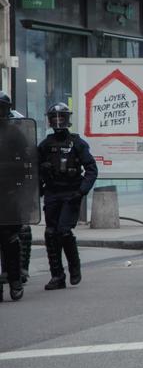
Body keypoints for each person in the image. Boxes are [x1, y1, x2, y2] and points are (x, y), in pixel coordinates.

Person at [37, 103, 98, 290]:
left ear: (67, 119)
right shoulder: (45, 145)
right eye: (54, 118)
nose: (58, 121)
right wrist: (40, 181)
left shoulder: (77, 143)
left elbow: (91, 169)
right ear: (49, 120)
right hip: (52, 192)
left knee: (64, 231)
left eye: (61, 117)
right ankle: (57, 276)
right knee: (50, 233)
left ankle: (74, 266)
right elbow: (33, 169)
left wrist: (81, 191)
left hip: (71, 193)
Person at [0, 91, 36, 301]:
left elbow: (27, 161)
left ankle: (15, 280)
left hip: (10, 193)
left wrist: (24, 189)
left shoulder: (15, 133)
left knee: (10, 239)